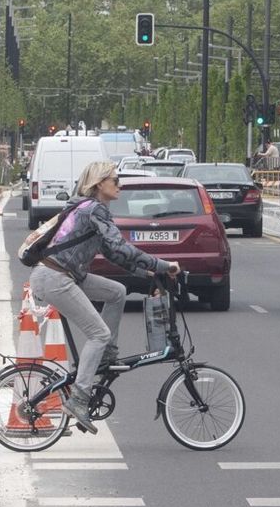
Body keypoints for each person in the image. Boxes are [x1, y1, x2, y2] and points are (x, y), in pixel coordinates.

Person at [28, 161, 180, 434]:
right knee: (98, 333)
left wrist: (145, 273)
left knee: (116, 292)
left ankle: (106, 355)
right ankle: (79, 399)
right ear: (100, 184)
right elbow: (120, 246)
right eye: (115, 180)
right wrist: (160, 265)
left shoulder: (89, 208)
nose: (119, 185)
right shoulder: (94, 209)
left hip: (65, 274)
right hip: (56, 277)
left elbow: (113, 254)